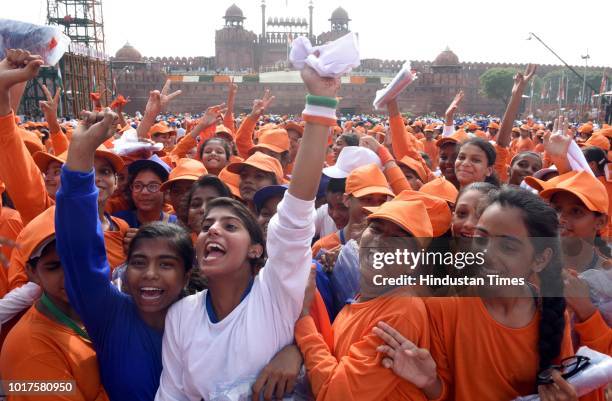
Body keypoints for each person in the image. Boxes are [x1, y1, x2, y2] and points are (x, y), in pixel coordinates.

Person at [155, 65, 337, 400]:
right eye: (207, 225)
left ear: (256, 249)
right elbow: (173, 394)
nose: (213, 230)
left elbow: (295, 215)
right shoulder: (182, 315)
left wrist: (322, 102)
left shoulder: (274, 294)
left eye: (229, 225)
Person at [374, 187, 582, 401]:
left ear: (540, 259)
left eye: (508, 246)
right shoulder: (442, 308)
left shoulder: (552, 310)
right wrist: (429, 382)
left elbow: (562, 383)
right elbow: (446, 392)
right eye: (481, 238)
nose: (485, 254)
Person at [295, 198, 433, 400]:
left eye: (397, 239)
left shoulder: (403, 311)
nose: (381, 242)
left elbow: (337, 395)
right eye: (376, 230)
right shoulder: (361, 297)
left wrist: (304, 319)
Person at [0, 207, 109, 401]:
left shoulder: (106, 312)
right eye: (54, 267)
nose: (71, 275)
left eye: (80, 260)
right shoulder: (30, 349)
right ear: (32, 273)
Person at [114, 155, 177, 228]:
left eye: (153, 186)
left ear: (166, 190)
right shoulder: (118, 222)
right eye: (138, 186)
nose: (144, 192)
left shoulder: (176, 225)